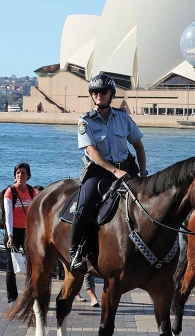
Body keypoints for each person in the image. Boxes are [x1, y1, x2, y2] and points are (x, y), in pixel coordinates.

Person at [69, 73, 148, 272]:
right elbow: (92, 151)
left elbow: (138, 145)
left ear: (111, 94)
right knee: (85, 205)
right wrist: (113, 171)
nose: (99, 95)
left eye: (103, 92)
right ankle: (75, 252)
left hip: (126, 169)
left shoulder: (123, 118)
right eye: (95, 92)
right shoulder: (85, 121)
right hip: (99, 172)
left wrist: (144, 172)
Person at [4, 162, 38, 305]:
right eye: (18, 173)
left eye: (23, 173)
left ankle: (31, 295)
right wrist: (10, 236)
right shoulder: (10, 192)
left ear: (28, 175)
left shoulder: (32, 192)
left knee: (32, 264)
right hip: (13, 231)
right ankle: (12, 298)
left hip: (28, 232)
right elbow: (8, 215)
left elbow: (37, 214)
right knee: (12, 266)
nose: (20, 175)